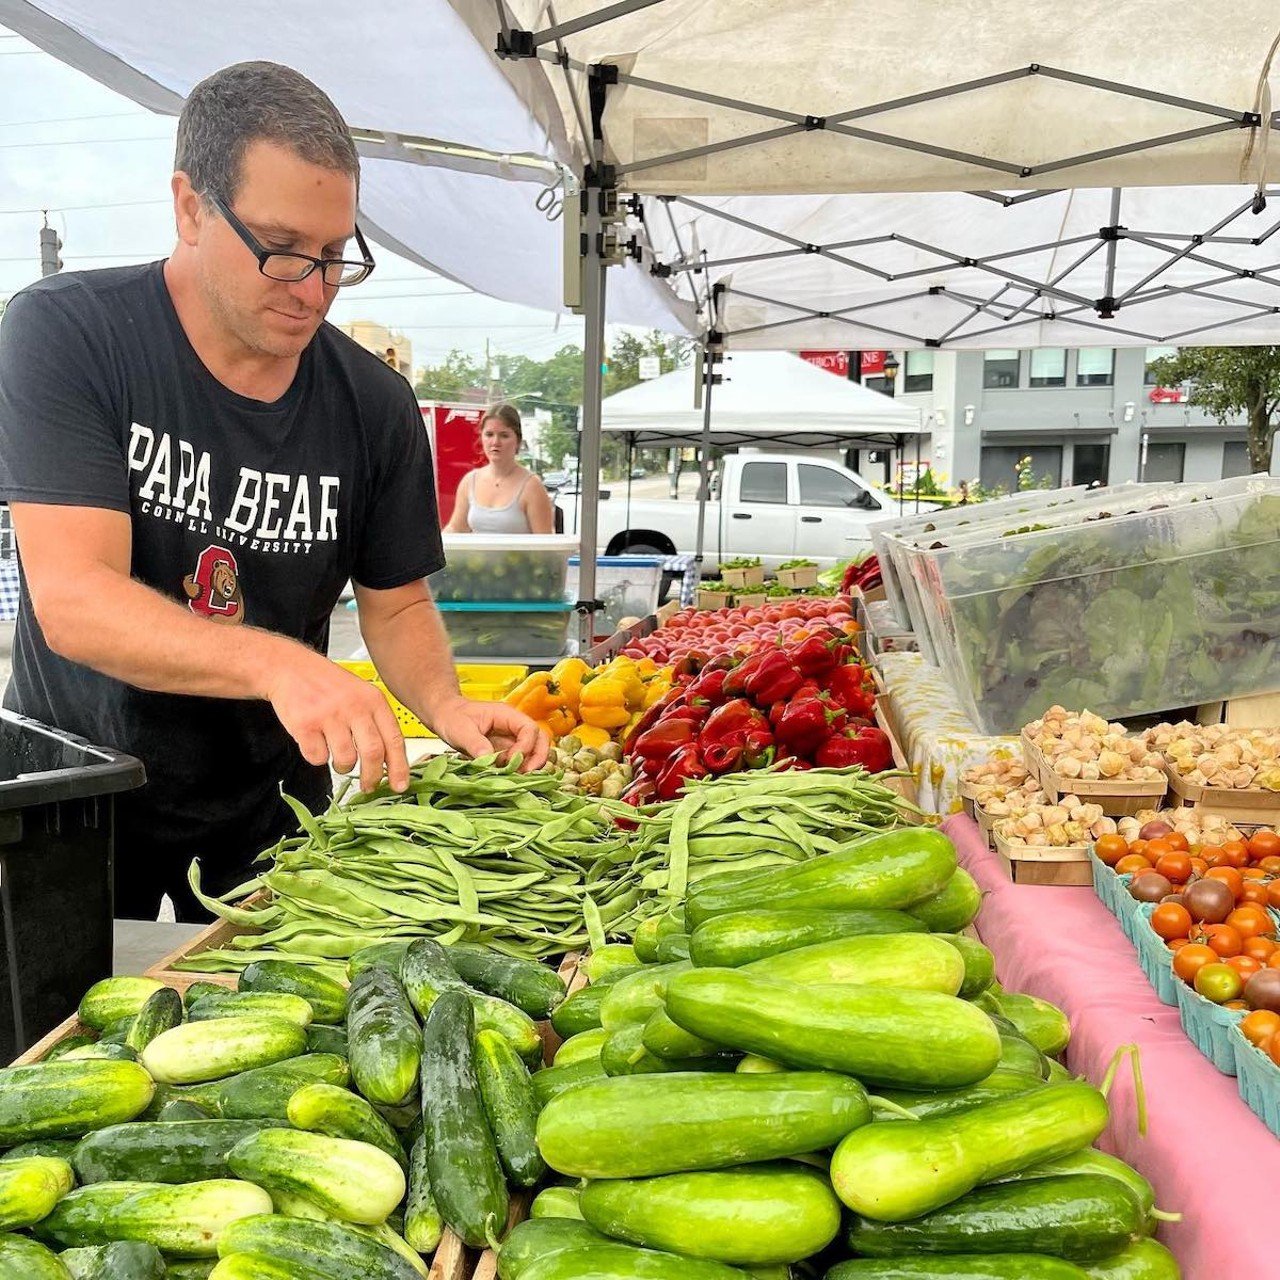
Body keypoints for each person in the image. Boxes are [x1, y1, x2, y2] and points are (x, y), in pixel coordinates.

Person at [0, 61, 547, 922]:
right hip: (79, 800)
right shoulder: (69, 333)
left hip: (273, 811)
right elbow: (74, 598)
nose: (314, 289)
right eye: (283, 251)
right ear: (190, 207)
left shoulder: (374, 404)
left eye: (336, 257)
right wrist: (282, 662)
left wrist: (444, 707)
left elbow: (397, 607)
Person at [443, 404, 556, 535]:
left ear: (518, 441)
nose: (495, 442)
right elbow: (456, 528)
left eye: (504, 435)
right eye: (489, 434)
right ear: (481, 438)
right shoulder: (470, 482)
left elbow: (544, 544)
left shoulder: (532, 486)